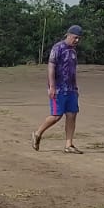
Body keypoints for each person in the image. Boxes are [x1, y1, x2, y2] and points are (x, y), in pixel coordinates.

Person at [32, 24, 82, 153]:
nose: (77, 40)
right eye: (75, 37)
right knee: (56, 115)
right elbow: (51, 67)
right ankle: (37, 133)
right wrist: (52, 86)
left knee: (72, 114)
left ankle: (69, 144)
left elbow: (73, 71)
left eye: (79, 38)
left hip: (71, 89)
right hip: (59, 88)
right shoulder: (58, 48)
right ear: (68, 35)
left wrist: (75, 88)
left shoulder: (73, 51)